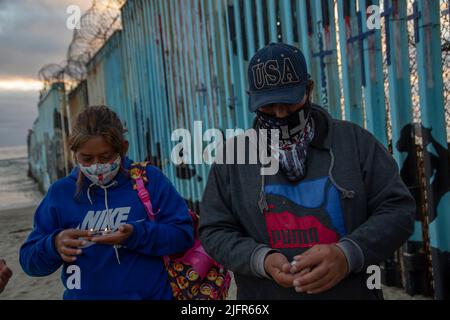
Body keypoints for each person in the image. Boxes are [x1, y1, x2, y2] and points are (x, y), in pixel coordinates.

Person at [199, 43, 415, 299]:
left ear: (308, 90)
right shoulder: (232, 160)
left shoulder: (355, 143)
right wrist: (261, 260)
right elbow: (213, 230)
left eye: (290, 103)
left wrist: (348, 254)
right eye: (269, 106)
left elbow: (398, 209)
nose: (280, 114)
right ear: (252, 101)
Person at [20, 106, 194, 300]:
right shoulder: (60, 193)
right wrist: (54, 245)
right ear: (74, 153)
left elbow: (183, 235)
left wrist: (135, 235)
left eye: (106, 156)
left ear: (123, 148)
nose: (97, 165)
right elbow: (29, 262)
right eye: (86, 158)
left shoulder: (149, 180)